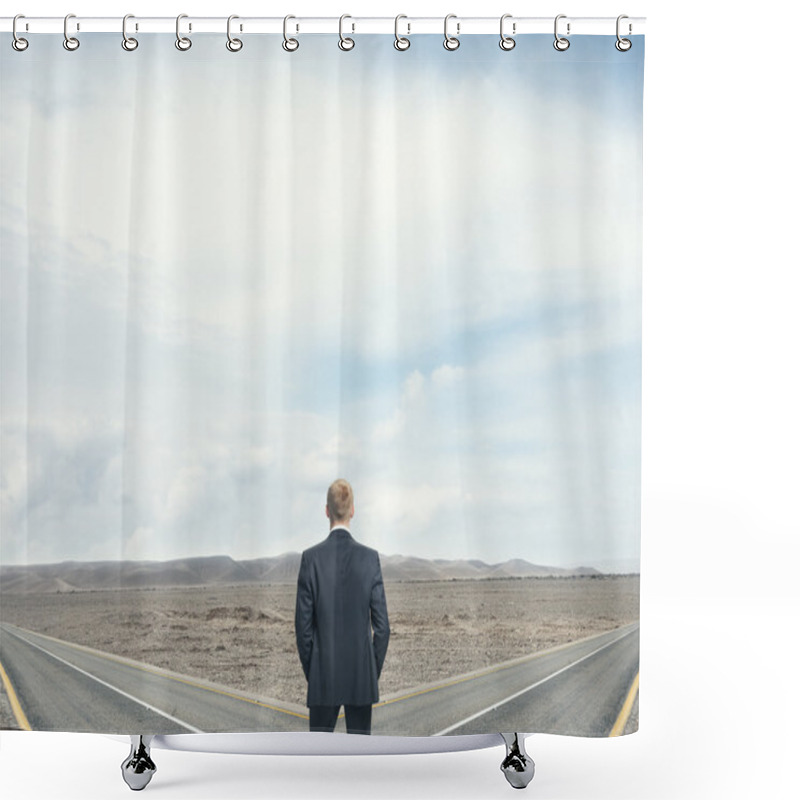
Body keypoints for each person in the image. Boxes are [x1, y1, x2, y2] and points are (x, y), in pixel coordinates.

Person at [294, 479, 390, 734]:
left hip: (323, 679)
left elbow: (303, 631)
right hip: (361, 679)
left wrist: (315, 672)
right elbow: (382, 629)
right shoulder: (370, 559)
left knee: (318, 764)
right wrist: (369, 671)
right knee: (360, 765)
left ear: (326, 510)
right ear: (353, 510)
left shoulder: (310, 560)